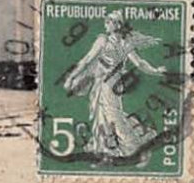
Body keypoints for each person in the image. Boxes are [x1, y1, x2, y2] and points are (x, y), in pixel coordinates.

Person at [64, 11, 166, 159]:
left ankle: (132, 145)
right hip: (112, 83)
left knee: (113, 115)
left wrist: (71, 77)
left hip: (108, 83)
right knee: (104, 114)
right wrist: (155, 71)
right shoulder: (124, 44)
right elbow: (140, 64)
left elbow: (86, 60)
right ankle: (105, 146)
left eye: (108, 22)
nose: (105, 25)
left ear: (116, 24)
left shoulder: (105, 41)